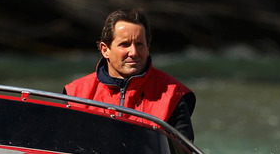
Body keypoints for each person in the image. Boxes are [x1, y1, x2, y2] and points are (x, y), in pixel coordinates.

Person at [64, 8, 196, 141]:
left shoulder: (174, 96)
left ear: (148, 48)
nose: (133, 52)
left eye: (140, 45)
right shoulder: (74, 94)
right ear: (105, 50)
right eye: (124, 44)